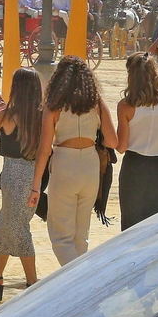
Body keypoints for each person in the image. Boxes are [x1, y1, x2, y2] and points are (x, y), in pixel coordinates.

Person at [33, 55, 116, 266]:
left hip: (64, 164)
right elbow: (113, 141)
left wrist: (35, 188)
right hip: (90, 165)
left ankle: (80, 282)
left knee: (61, 238)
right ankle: (82, 281)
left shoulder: (53, 107)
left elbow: (44, 150)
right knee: (81, 236)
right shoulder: (97, 103)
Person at [0, 68, 43, 297]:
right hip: (34, 174)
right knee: (11, 223)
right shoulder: (43, 116)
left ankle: (32, 282)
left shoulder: (6, 115)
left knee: (17, 227)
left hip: (11, 174)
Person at [113, 53, 158, 230]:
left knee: (130, 225)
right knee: (154, 226)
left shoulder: (126, 106)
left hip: (134, 166)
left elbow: (121, 147)